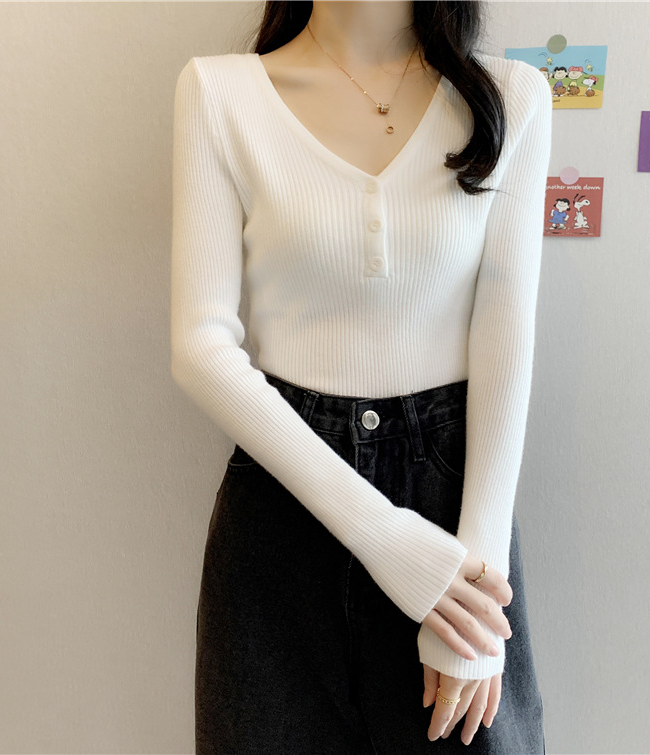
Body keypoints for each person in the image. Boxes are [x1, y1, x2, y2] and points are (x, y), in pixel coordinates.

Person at [171, 1, 552, 752]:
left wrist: (473, 585)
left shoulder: (511, 97)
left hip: (456, 507)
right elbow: (200, 345)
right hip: (283, 500)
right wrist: (388, 541)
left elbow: (505, 337)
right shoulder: (219, 93)